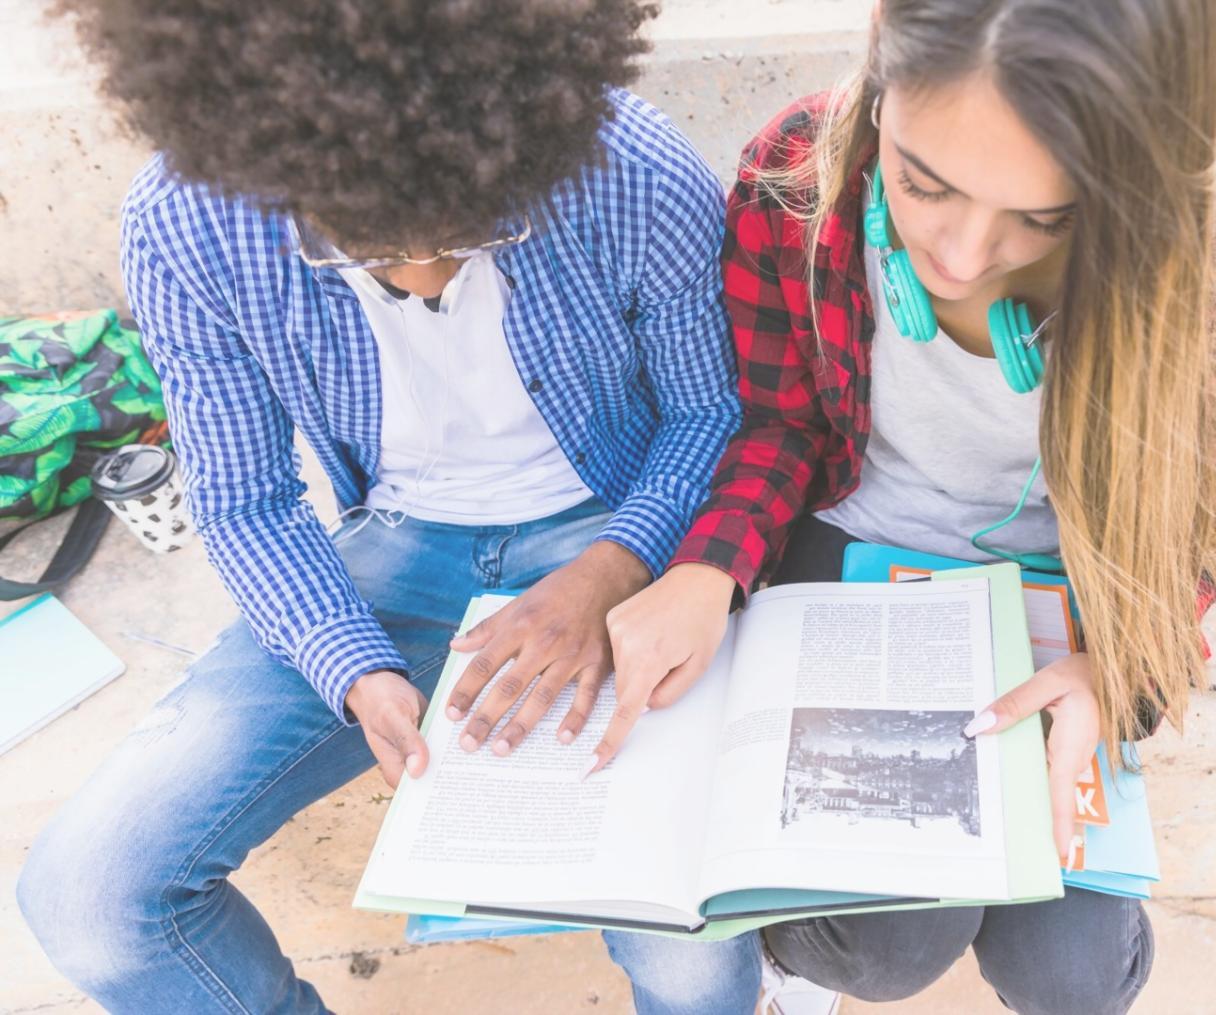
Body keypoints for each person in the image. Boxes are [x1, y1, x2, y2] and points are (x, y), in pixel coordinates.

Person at [16, 2, 738, 1011]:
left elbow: (708, 413)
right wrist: (348, 665)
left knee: (695, 954)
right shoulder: (189, 220)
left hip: (617, 536)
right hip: (391, 556)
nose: (424, 274)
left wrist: (613, 566)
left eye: (469, 230)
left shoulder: (630, 167)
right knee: (89, 899)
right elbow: (246, 499)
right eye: (366, 246)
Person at [595, 0, 1216, 1011]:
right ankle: (795, 964)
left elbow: (1190, 550)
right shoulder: (797, 176)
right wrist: (706, 565)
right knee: (881, 948)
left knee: (1066, 976)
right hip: (849, 550)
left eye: (1042, 217)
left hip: (1067, 599)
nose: (966, 257)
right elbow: (779, 427)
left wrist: (1115, 674)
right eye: (923, 185)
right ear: (881, 51)